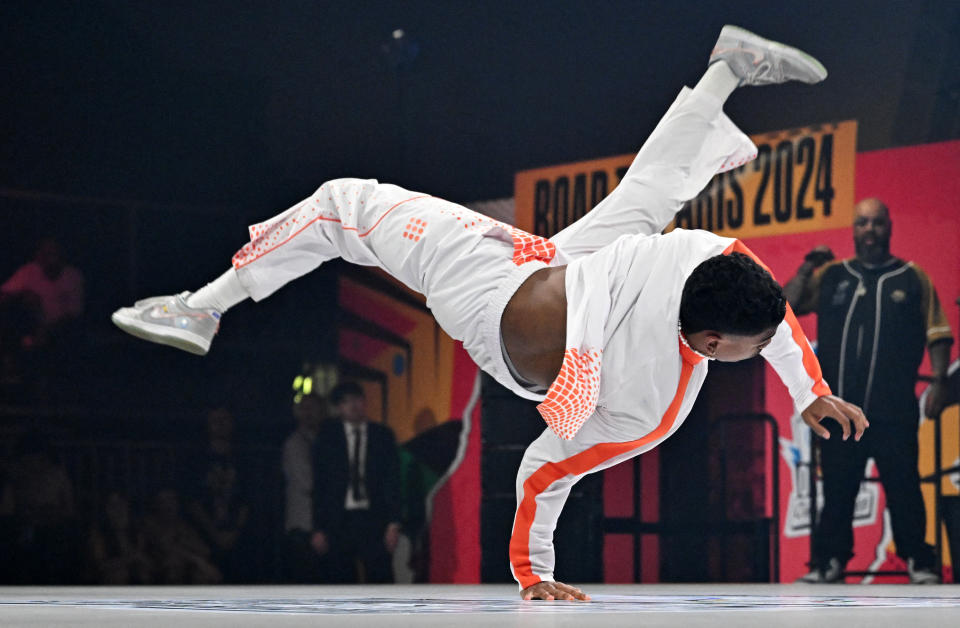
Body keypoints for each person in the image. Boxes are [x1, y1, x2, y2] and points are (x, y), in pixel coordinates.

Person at [111, 26, 867, 599]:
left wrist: (531, 571)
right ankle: (201, 310)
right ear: (708, 335)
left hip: (506, 304)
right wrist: (584, 359)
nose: (770, 346)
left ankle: (723, 73)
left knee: (645, 201)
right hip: (516, 276)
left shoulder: (693, 286)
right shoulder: (677, 343)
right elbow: (763, 323)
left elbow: (544, 472)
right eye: (757, 343)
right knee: (348, 203)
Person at [783, 198, 953, 584]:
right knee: (838, 490)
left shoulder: (913, 278)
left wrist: (941, 383)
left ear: (888, 228)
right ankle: (829, 563)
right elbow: (788, 304)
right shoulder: (831, 276)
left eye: (877, 223)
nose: (870, 230)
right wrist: (809, 265)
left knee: (905, 487)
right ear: (854, 230)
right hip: (841, 409)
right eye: (862, 223)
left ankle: (919, 561)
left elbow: (938, 334)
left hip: (894, 409)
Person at [310, 382, 402, 583]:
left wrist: (393, 523)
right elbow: (320, 484)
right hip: (339, 519)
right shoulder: (328, 438)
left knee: (380, 578)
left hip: (374, 517)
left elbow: (392, 480)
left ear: (364, 402)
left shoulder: (382, 436)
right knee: (339, 578)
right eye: (345, 402)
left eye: (357, 400)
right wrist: (318, 527)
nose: (352, 406)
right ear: (339, 408)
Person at [281, 392, 328, 582]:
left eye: (314, 408)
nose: (309, 413)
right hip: (302, 527)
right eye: (305, 408)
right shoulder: (295, 444)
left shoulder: (322, 443)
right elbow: (307, 483)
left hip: (319, 526)